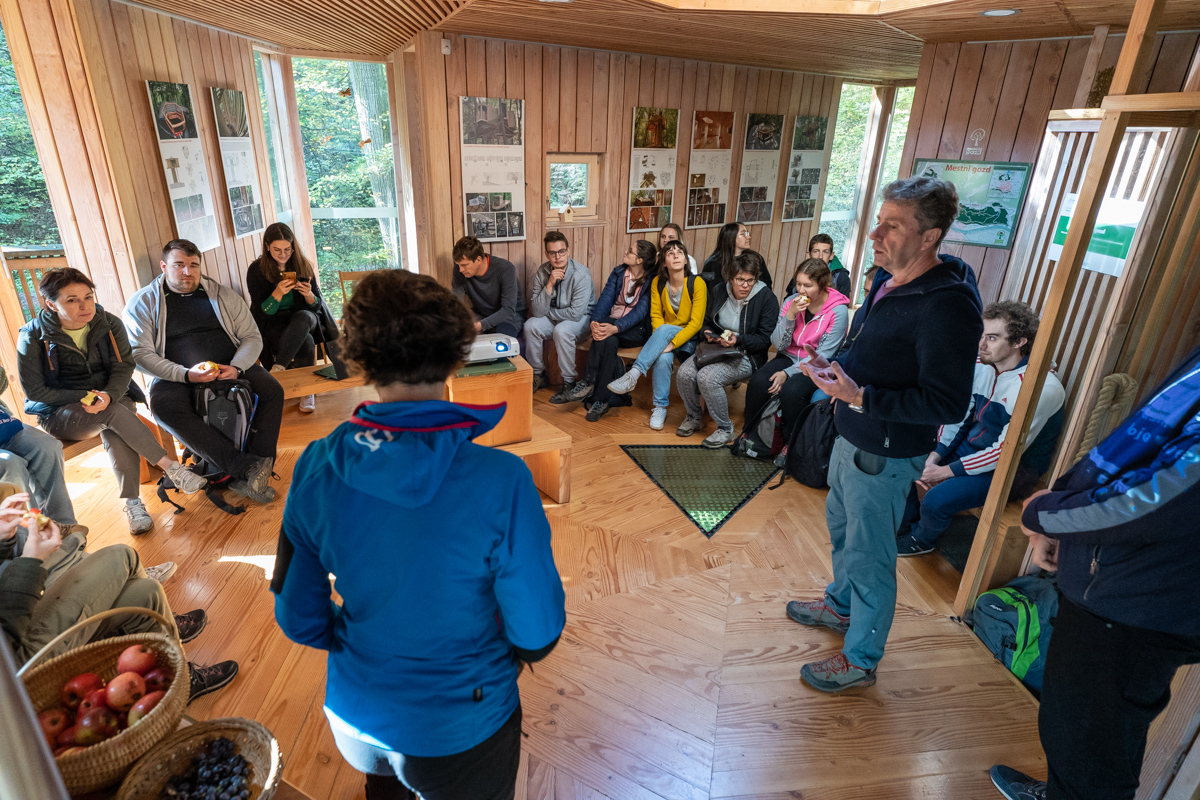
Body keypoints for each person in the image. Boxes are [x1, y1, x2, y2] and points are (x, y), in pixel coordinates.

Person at [272, 269, 565, 800]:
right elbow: (537, 632)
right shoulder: (503, 479)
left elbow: (298, 618)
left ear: (359, 360)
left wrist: (368, 643)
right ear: (458, 354)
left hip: (359, 719)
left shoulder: (315, 465)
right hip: (465, 725)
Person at [784, 176, 983, 692]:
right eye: (879, 220)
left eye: (892, 225)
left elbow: (947, 402)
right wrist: (835, 368)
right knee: (843, 531)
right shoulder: (883, 281)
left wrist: (862, 397)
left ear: (930, 236)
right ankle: (840, 606)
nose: (875, 233)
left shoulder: (948, 304)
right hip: (852, 435)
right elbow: (867, 353)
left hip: (886, 451)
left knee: (872, 557)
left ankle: (861, 659)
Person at [990, 340, 1200, 800]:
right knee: (1073, 730)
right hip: (1114, 586)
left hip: (1138, 603)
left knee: (1093, 753)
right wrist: (1057, 505)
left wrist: (1045, 515)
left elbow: (1152, 501)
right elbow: (1131, 448)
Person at [16, 268, 208, 534]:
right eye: (72, 300)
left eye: (88, 296)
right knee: (114, 415)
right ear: (51, 304)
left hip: (110, 398)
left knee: (115, 417)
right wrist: (87, 397)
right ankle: (170, 468)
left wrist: (107, 395)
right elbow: (36, 391)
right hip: (60, 413)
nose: (84, 305)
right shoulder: (32, 335)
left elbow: (123, 366)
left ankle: (133, 503)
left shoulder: (107, 322)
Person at [0, 492, 238, 701]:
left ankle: (173, 675)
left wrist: (2, 541)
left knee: (148, 594)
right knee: (121, 555)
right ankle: (170, 668)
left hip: (11, 630)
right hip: (13, 667)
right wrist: (30, 562)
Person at [897, 301, 1066, 557]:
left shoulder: (1041, 388)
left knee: (936, 500)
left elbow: (1003, 453)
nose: (981, 344)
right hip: (973, 450)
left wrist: (944, 472)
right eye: (982, 335)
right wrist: (935, 455)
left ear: (1019, 341)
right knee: (904, 461)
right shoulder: (982, 366)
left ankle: (922, 540)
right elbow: (958, 417)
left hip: (1012, 471)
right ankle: (907, 527)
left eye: (993, 338)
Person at [124, 239, 283, 504]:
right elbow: (138, 353)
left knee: (271, 390)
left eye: (193, 265)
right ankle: (245, 468)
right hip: (175, 373)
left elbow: (252, 337)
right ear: (164, 266)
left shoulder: (222, 295)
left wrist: (237, 366)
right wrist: (186, 374)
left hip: (229, 365)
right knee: (164, 408)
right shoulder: (144, 302)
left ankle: (259, 466)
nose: (187, 271)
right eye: (179, 265)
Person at [676, 252, 778, 448]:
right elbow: (706, 322)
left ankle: (725, 428)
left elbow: (765, 340)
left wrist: (738, 339)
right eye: (740, 279)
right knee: (684, 373)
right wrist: (708, 333)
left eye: (750, 280)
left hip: (747, 354)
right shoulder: (719, 290)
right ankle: (694, 417)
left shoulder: (766, 298)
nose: (745, 285)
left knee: (707, 377)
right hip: (715, 348)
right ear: (731, 278)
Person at [744, 258, 851, 441]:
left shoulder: (838, 311)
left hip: (818, 365)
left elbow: (823, 355)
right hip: (789, 355)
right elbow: (779, 344)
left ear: (823, 285)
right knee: (758, 382)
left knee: (792, 391)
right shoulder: (790, 302)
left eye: (807, 285)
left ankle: (791, 443)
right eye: (798, 284)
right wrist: (790, 315)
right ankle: (751, 435)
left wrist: (787, 373)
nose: (801, 290)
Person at [607, 240, 707, 431]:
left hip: (689, 339)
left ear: (686, 259)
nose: (676, 255)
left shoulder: (697, 283)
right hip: (664, 337)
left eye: (680, 252)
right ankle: (660, 407)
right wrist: (664, 345)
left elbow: (696, 324)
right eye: (670, 253)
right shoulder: (657, 283)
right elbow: (656, 316)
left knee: (663, 332)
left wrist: (671, 342)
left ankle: (633, 375)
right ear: (664, 262)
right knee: (662, 358)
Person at [561, 240, 656, 420]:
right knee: (608, 339)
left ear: (640, 260)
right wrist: (595, 322)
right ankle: (601, 399)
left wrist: (616, 327)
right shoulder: (619, 272)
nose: (625, 252)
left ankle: (590, 382)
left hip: (637, 329)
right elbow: (605, 299)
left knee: (608, 334)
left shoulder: (652, 279)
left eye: (630, 251)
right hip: (612, 325)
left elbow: (641, 311)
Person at [246, 223, 334, 415]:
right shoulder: (256, 270)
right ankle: (307, 391)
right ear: (267, 246)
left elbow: (316, 306)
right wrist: (276, 294)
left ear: (293, 247)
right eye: (277, 249)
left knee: (303, 317)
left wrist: (309, 295)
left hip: (304, 318)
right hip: (273, 323)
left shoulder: (302, 264)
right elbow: (261, 313)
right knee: (306, 341)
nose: (283, 254)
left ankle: (278, 369)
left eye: (287, 249)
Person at [0, 366, 86, 541]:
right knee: (11, 465)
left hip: (4, 426)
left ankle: (62, 527)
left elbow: (2, 380)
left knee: (47, 446)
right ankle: (32, 535)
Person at [523, 231, 595, 401]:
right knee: (530, 325)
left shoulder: (581, 274)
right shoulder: (543, 271)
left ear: (568, 251)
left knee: (562, 330)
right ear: (546, 254)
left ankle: (569, 382)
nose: (558, 257)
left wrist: (548, 313)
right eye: (553, 253)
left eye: (561, 251)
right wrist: (549, 284)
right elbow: (537, 311)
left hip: (582, 319)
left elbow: (575, 314)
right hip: (556, 317)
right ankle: (538, 375)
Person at [451, 235, 523, 338]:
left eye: (464, 265)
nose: (460, 269)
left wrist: (480, 325)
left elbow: (508, 310)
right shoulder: (460, 270)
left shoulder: (505, 269)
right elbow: (456, 303)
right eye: (458, 265)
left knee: (502, 336)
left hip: (510, 317)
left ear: (478, 260)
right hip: (481, 315)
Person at [701, 222, 772, 290]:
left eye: (747, 233)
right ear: (731, 237)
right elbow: (706, 290)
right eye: (743, 234)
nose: (748, 237)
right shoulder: (713, 262)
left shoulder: (756, 258)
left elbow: (766, 284)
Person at [784, 234, 851, 298]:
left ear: (831, 256)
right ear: (808, 255)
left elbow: (843, 305)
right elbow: (788, 301)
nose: (820, 257)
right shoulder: (801, 273)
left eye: (825, 252)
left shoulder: (841, 277)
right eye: (816, 251)